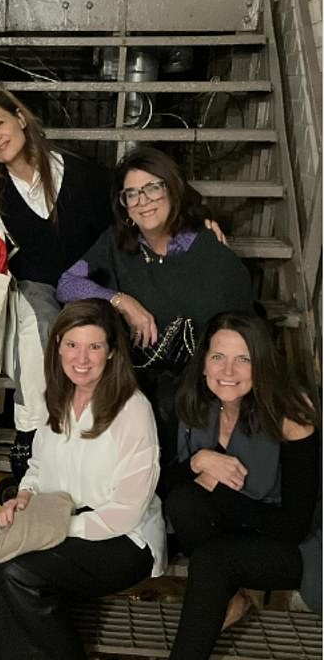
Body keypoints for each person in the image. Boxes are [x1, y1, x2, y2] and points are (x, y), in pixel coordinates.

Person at [0, 299, 166, 660]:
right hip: (61, 519)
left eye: (94, 347)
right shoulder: (57, 398)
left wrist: (49, 530)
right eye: (72, 344)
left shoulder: (133, 410)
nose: (82, 358)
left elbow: (126, 511)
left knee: (20, 572)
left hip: (123, 538)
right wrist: (24, 499)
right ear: (57, 347)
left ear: (112, 352)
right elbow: (38, 466)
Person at [121, 311, 320, 660]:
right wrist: (199, 461)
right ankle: (226, 599)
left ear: (262, 362)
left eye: (243, 359)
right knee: (185, 502)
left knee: (211, 557)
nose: (228, 372)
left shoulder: (292, 411)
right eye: (218, 357)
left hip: (295, 544)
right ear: (204, 361)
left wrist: (219, 492)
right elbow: (168, 482)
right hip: (238, 530)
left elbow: (294, 525)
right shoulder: (196, 400)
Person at [0, 88, 115, 493]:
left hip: (88, 288)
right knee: (38, 323)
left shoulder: (82, 173)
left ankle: (76, 441)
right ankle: (31, 435)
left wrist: (200, 220)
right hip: (35, 294)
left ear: (19, 117)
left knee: (78, 333)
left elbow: (135, 195)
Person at [56, 146, 253, 465]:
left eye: (152, 188)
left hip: (199, 388)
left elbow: (242, 332)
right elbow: (67, 284)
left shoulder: (209, 252)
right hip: (135, 384)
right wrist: (121, 301)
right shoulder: (117, 244)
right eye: (131, 194)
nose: (143, 201)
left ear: (172, 188)